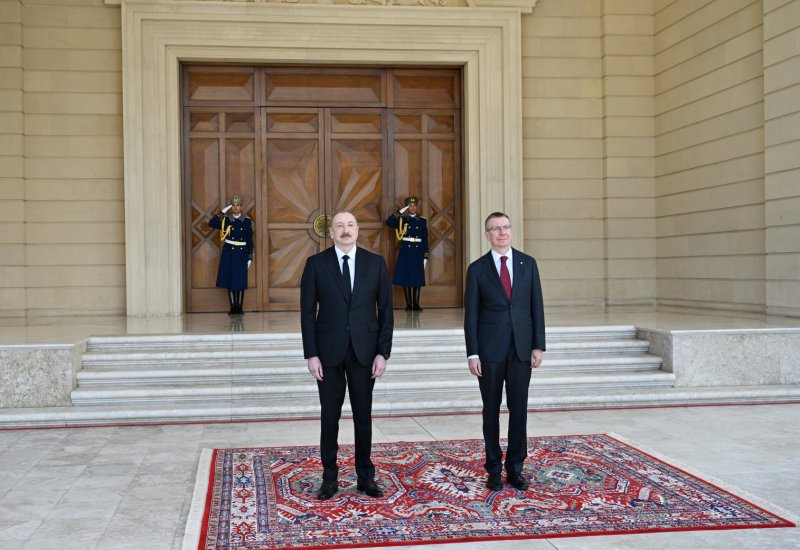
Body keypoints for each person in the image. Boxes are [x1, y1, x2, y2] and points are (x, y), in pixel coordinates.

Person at [300, 211, 394, 501]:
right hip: (328, 353)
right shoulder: (316, 264)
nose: (345, 230)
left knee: (363, 417)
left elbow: (386, 312)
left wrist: (383, 353)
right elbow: (307, 313)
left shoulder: (375, 263)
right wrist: (311, 354)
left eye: (350, 225)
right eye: (339, 226)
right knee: (330, 417)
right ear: (330, 233)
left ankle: (366, 476)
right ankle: (329, 478)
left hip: (365, 352)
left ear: (357, 230)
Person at [463, 212, 546, 492]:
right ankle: (494, 469)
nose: (502, 232)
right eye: (496, 229)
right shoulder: (477, 269)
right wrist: (472, 353)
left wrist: (538, 345)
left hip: (521, 349)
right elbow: (471, 316)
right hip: (489, 351)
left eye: (506, 227)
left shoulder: (528, 264)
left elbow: (537, 308)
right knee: (491, 411)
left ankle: (516, 467)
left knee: (519, 409)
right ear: (487, 234)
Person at [207, 196, 253, 315]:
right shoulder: (226, 220)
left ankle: (239, 307)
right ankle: (233, 307)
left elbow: (250, 240)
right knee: (231, 279)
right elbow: (211, 223)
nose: (235, 207)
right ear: (230, 208)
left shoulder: (247, 222)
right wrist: (222, 212)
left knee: (241, 280)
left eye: (238, 205)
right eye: (233, 205)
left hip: (241, 252)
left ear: (241, 207)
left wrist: (250, 257)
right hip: (229, 253)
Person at [384, 196, 429, 311]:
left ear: (417, 207)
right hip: (406, 251)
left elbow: (425, 238)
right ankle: (409, 304)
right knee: (406, 277)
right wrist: (400, 212)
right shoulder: (402, 219)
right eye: (410, 206)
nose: (413, 207)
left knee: (417, 278)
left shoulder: (422, 220)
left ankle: (416, 304)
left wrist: (426, 254)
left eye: (414, 205)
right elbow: (388, 222)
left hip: (417, 251)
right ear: (407, 207)